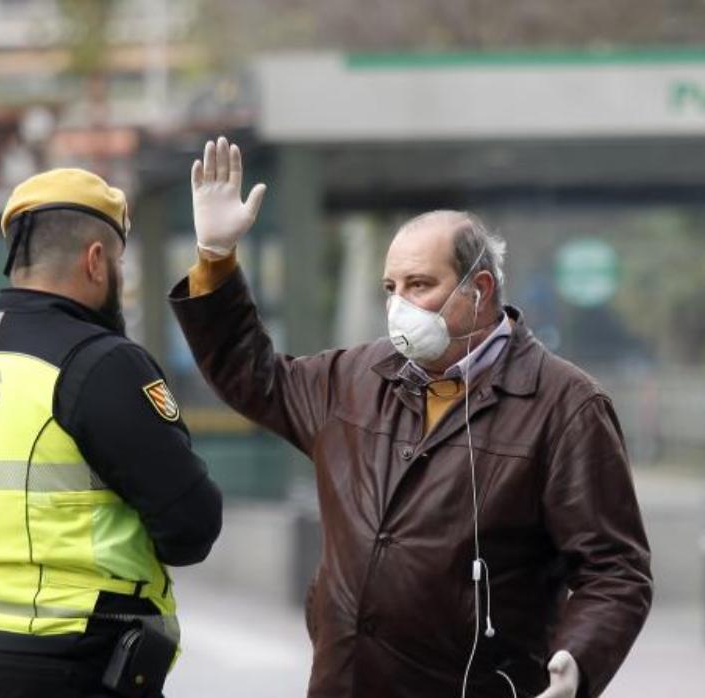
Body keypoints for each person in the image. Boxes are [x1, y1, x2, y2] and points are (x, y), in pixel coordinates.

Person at [169, 137, 652, 697]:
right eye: (390, 287)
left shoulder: (565, 405)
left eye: (420, 285)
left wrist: (578, 660)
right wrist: (216, 261)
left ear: (480, 289)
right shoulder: (353, 377)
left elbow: (615, 571)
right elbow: (252, 376)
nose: (399, 304)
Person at [0, 168, 223, 698]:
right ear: (96, 260)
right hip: (75, 660)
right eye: (119, 262)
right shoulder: (102, 364)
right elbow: (191, 529)